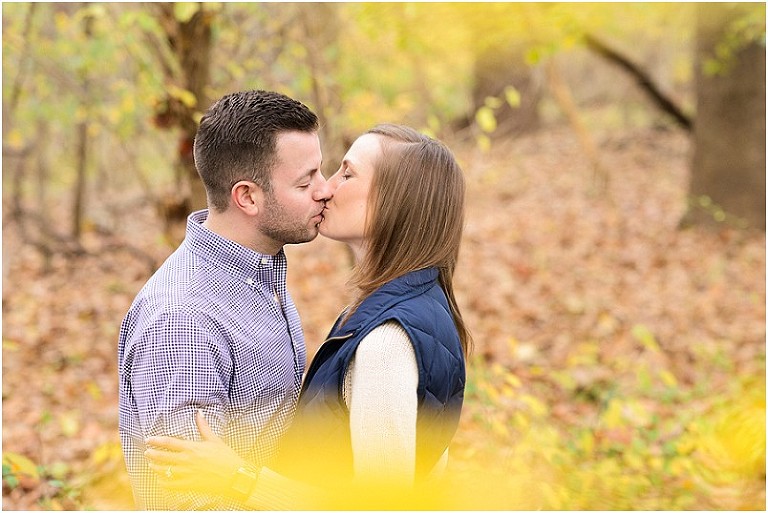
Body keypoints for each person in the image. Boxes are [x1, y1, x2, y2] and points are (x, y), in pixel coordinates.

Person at [144, 124, 472, 509]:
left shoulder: (387, 341)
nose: (326, 188)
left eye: (347, 174)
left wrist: (238, 477)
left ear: (396, 203)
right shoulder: (420, 306)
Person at [118, 89, 332, 510]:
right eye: (306, 182)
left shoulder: (258, 272)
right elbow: (192, 501)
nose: (324, 191)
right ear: (247, 197)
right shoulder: (185, 322)